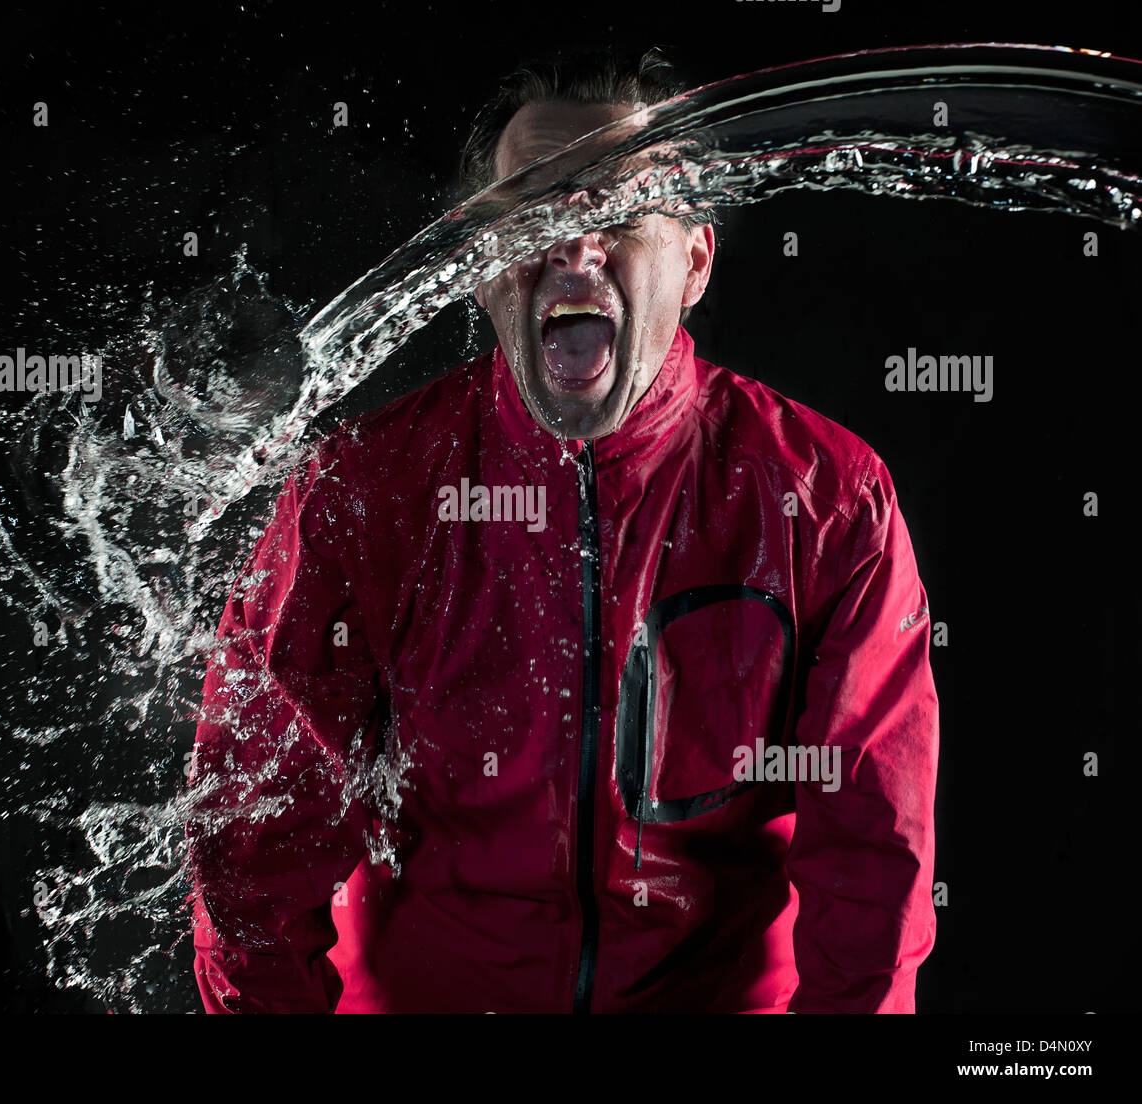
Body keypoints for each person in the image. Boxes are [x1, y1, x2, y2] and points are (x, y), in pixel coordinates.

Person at [186, 46, 939, 1014]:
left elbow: (874, 877)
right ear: (475, 269)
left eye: (617, 214)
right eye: (536, 212)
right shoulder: (360, 497)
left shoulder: (828, 503)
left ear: (696, 259)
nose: (574, 249)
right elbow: (251, 866)